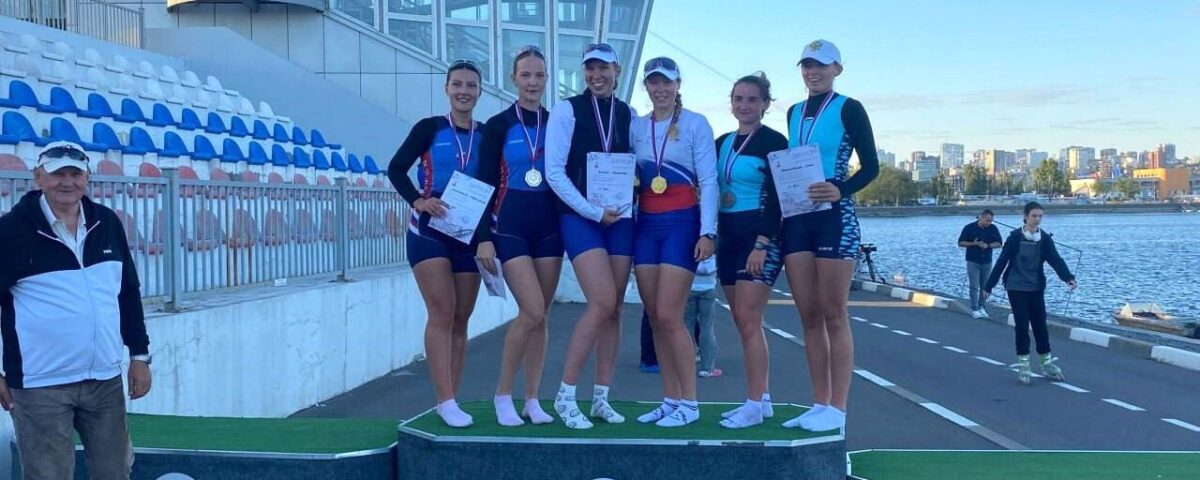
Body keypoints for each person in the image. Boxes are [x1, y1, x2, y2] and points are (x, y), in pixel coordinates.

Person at [0, 141, 152, 479]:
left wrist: (139, 356)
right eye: (58, 174)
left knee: (115, 472)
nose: (67, 182)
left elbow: (128, 293)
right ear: (38, 177)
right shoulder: (10, 231)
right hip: (40, 385)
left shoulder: (107, 222)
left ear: (87, 178)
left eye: (75, 173)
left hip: (104, 380)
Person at [768, 40, 879, 432]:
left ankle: (838, 408)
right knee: (809, 316)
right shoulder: (794, 112)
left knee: (834, 313)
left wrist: (841, 189)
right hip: (798, 217)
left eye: (820, 66)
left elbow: (871, 166)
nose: (812, 72)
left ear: (837, 69)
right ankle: (818, 403)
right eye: (807, 66)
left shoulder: (849, 107)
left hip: (835, 217)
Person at [387, 60, 486, 428]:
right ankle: (443, 400)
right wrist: (418, 200)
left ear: (480, 91)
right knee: (442, 313)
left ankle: (452, 399)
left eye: (471, 85)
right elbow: (396, 168)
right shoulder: (429, 128)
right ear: (446, 88)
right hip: (430, 229)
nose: (464, 91)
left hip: (469, 231)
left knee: (461, 318)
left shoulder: (487, 134)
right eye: (457, 84)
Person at [545, 43, 637, 429]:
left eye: (603, 68)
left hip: (620, 218)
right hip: (582, 217)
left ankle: (601, 398)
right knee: (601, 302)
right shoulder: (566, 110)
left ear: (617, 70)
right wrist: (592, 211)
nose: (596, 75)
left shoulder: (627, 113)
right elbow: (553, 172)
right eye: (590, 68)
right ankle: (565, 395)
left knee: (615, 309)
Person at [630, 56, 718, 428]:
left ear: (677, 85)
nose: (660, 89)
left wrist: (708, 232)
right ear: (646, 86)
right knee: (654, 317)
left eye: (666, 82)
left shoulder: (696, 123)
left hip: (682, 223)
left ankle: (690, 402)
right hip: (646, 224)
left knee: (670, 315)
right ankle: (670, 399)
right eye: (654, 82)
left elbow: (709, 181)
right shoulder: (637, 126)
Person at [477, 46, 562, 426]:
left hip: (550, 229)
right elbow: (483, 183)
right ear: (513, 78)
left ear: (546, 79)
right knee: (532, 311)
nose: (532, 82)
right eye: (526, 75)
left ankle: (532, 398)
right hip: (509, 226)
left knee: (542, 317)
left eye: (539, 75)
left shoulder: (557, 122)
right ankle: (502, 394)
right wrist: (482, 236)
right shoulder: (498, 125)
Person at [713, 72, 789, 429]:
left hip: (758, 239)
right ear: (731, 102)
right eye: (738, 99)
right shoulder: (722, 142)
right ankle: (764, 399)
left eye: (752, 100)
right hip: (728, 237)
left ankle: (754, 403)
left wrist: (762, 243)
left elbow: (778, 198)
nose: (744, 106)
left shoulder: (775, 141)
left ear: (765, 104)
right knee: (741, 320)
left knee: (748, 319)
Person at [983, 202, 1077, 385]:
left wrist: (1068, 277)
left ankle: (1046, 362)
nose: (1037, 219)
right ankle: (1024, 363)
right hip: (1016, 287)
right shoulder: (1015, 238)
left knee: (1040, 324)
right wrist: (988, 286)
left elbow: (1055, 260)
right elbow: (1002, 262)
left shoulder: (1045, 239)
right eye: (1034, 216)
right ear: (1026, 216)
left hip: (1036, 287)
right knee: (1022, 325)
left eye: (1040, 216)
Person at [958, 209, 1002, 318]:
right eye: (987, 220)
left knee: (985, 286)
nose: (989, 223)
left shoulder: (993, 228)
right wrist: (974, 243)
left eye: (991, 221)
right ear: (981, 217)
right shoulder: (969, 227)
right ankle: (974, 308)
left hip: (987, 261)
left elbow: (999, 243)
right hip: (973, 261)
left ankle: (982, 306)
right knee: (974, 285)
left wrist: (988, 245)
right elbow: (961, 242)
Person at [685, 256, 720, 378]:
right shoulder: (710, 247)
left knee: (686, 326)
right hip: (708, 287)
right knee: (707, 327)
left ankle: (684, 365)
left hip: (689, 287)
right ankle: (707, 368)